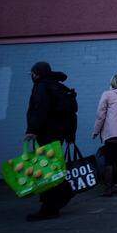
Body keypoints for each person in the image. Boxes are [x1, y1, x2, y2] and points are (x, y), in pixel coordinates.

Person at [25, 61, 75, 221]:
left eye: (32, 73)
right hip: (58, 135)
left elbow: (40, 109)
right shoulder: (57, 86)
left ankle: (50, 206)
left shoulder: (42, 87)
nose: (31, 76)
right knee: (51, 168)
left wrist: (32, 129)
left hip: (47, 134)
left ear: (37, 73)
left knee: (47, 171)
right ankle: (56, 198)